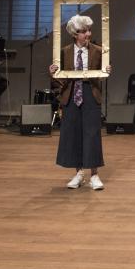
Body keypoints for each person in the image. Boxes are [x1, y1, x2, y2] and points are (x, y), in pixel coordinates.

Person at [49, 14, 112, 191]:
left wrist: (106, 70)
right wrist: (53, 72)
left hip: (89, 92)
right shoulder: (64, 51)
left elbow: (103, 73)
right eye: (84, 31)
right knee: (73, 133)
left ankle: (94, 175)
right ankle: (78, 173)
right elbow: (58, 78)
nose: (88, 34)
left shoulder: (99, 51)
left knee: (92, 133)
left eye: (89, 31)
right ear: (75, 34)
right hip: (71, 94)